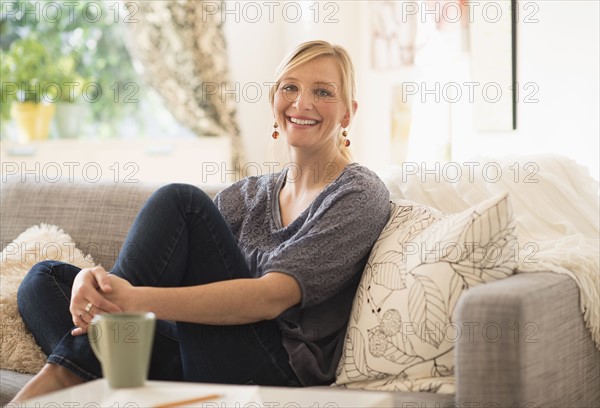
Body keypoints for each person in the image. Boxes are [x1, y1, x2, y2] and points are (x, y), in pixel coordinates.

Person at [12, 40, 390, 402]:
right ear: (275, 101)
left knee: (181, 202)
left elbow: (272, 297)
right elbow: (147, 273)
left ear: (347, 113)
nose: (302, 102)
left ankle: (68, 374)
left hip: (274, 373)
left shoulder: (358, 192)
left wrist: (130, 301)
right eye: (289, 87)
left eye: (323, 92)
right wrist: (93, 283)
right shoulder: (245, 195)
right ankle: (121, 383)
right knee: (42, 281)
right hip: (198, 356)